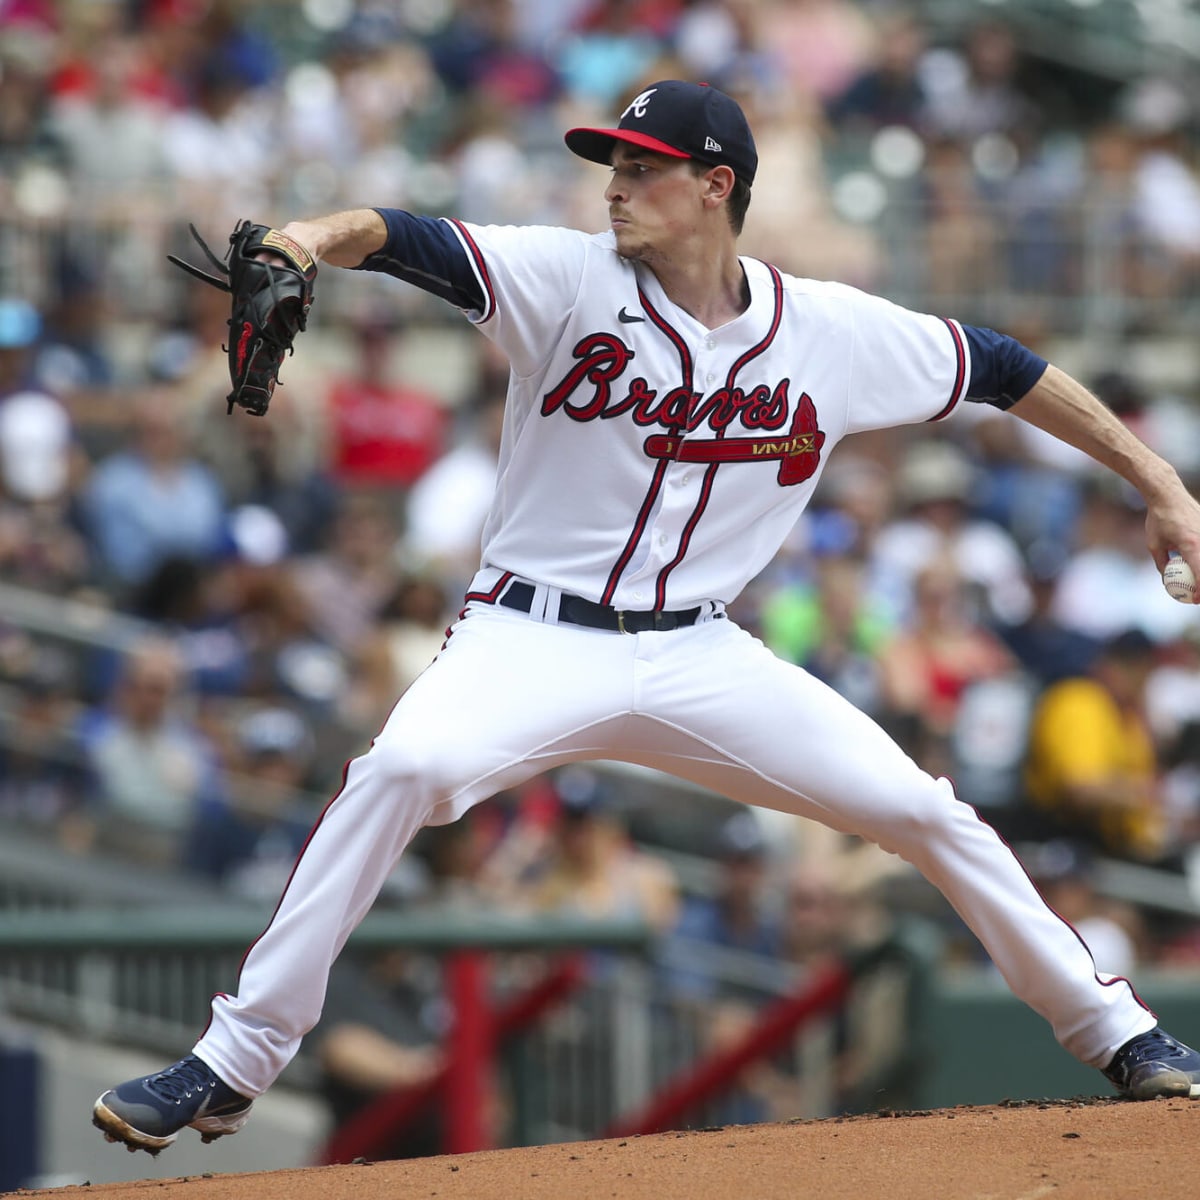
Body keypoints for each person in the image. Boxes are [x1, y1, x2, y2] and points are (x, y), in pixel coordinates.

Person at [93, 78, 1200, 1157]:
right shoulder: (567, 278)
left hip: (700, 652)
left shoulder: (827, 331)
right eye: (612, 166)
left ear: (716, 185)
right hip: (529, 636)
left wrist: (1160, 482)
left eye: (640, 168)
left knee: (924, 810)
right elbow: (400, 236)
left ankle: (1122, 1036)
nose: (613, 188)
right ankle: (235, 1060)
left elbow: (1004, 368)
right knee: (401, 769)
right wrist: (310, 232)